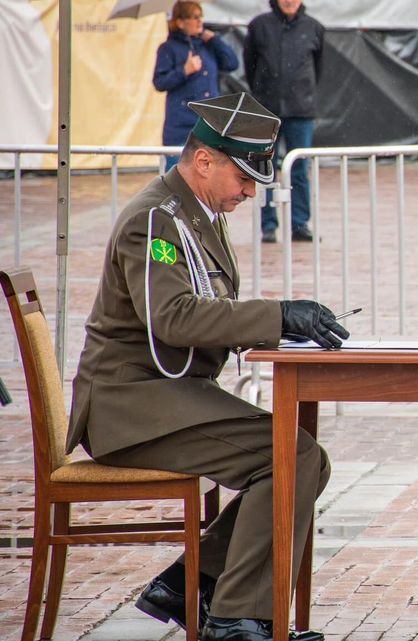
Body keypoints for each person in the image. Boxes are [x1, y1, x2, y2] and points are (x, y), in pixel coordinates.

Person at [68, 93, 346, 641]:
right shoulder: (154, 222)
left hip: (167, 397)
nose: (249, 191)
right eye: (244, 177)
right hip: (132, 405)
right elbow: (173, 317)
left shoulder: (197, 215)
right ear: (203, 162)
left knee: (305, 459)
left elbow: (205, 310)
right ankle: (234, 619)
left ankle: (191, 582)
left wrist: (281, 322)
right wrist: (277, 314)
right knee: (293, 456)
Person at [244, 0, 324, 243]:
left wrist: (301, 94)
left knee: (299, 168)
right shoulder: (259, 26)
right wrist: (263, 93)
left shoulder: (314, 28)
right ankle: (268, 225)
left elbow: (317, 68)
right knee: (265, 168)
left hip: (300, 110)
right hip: (266, 110)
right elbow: (251, 66)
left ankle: (300, 223)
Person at [152, 0, 238, 170]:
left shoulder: (207, 46)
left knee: (207, 175)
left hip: (209, 124)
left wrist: (214, 39)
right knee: (177, 174)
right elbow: (159, 82)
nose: (200, 21)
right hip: (181, 126)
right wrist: (184, 71)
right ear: (180, 22)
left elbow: (231, 63)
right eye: (194, 17)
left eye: (201, 17)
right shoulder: (168, 48)